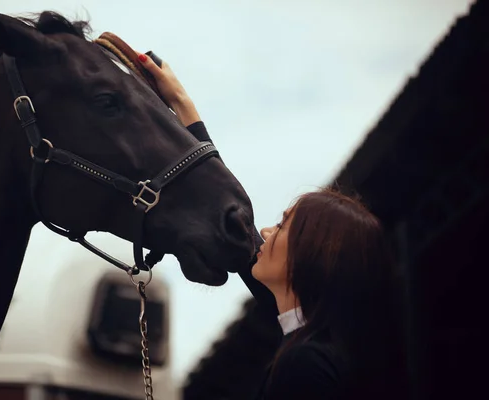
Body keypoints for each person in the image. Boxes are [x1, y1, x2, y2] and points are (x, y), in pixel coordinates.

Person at [137, 53, 409, 399]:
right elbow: (236, 227)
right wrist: (182, 105)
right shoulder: (318, 345)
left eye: (282, 226)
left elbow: (239, 231)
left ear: (311, 254)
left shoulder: (307, 364)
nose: (264, 232)